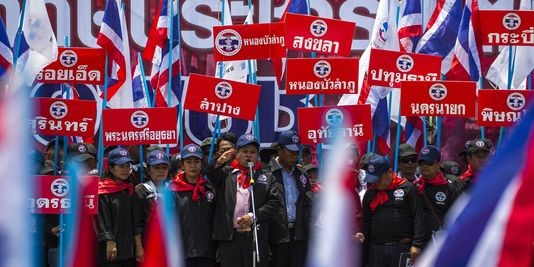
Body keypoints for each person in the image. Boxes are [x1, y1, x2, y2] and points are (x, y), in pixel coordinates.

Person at [206, 133, 282, 267]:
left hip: (255, 236)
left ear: (257, 154)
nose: (248, 155)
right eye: (244, 151)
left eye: (252, 152)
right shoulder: (226, 173)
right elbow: (211, 174)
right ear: (236, 153)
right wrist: (219, 161)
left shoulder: (267, 176)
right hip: (230, 238)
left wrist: (253, 217)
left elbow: (274, 203)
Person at [360, 154, 425, 267]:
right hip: (377, 250)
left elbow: (418, 216)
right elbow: (366, 222)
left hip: (401, 247)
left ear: (389, 172)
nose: (375, 182)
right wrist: (362, 236)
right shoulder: (370, 194)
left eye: (378, 178)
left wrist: (417, 244)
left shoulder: (407, 188)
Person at [267, 130, 312, 267]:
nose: (295, 155)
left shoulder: (302, 175)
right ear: (279, 150)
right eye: (290, 150)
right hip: (276, 236)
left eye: (297, 150)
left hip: (298, 235)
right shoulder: (266, 174)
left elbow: (307, 206)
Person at [168, 144, 217, 267]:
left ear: (201, 164)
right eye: (188, 162)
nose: (193, 165)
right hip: (182, 252)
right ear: (182, 165)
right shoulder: (172, 191)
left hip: (207, 252)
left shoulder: (209, 189)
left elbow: (216, 219)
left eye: (196, 161)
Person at [414, 146, 461, 247]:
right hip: (418, 244)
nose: (424, 166)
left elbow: (457, 217)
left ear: (438, 164)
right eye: (422, 163)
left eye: (429, 163)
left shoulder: (449, 187)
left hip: (441, 243)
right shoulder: (414, 187)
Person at [97, 147, 136, 267]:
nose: (125, 170)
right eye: (121, 166)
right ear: (111, 168)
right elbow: (103, 218)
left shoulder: (130, 187)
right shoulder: (103, 190)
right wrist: (109, 240)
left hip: (129, 249)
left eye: (127, 166)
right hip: (111, 249)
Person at [133, 149, 170, 263]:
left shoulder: (173, 189)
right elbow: (137, 223)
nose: (161, 171)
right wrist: (139, 247)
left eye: (164, 168)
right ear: (148, 170)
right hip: (149, 243)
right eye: (156, 168)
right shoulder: (140, 191)